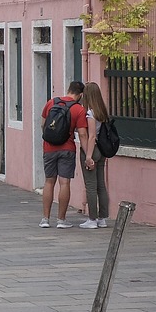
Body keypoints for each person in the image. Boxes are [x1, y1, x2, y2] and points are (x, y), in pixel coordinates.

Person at [40, 81, 88, 229]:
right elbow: (82, 133)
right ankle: (61, 220)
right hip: (67, 148)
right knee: (64, 182)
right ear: (80, 95)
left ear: (68, 90)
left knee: (49, 182)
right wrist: (88, 154)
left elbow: (43, 124)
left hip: (49, 148)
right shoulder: (78, 109)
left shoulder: (51, 102)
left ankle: (45, 219)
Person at [79, 81, 111, 230]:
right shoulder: (102, 111)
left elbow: (91, 136)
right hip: (103, 150)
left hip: (94, 149)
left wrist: (88, 156)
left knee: (91, 186)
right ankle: (103, 218)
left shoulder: (90, 113)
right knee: (101, 185)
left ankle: (92, 219)